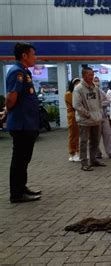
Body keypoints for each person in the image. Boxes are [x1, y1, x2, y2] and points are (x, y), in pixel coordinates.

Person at [5, 42, 42, 203]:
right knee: (19, 159)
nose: (35, 57)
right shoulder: (17, 72)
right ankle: (16, 194)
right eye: (33, 54)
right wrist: (8, 110)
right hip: (21, 124)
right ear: (24, 55)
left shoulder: (24, 71)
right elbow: (11, 98)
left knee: (24, 159)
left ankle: (21, 187)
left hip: (28, 123)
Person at [73, 67, 106, 171]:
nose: (92, 77)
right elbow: (77, 105)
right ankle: (84, 163)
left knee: (95, 141)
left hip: (96, 120)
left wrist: (99, 113)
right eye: (89, 75)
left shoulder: (95, 87)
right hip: (85, 121)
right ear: (83, 75)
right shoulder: (78, 88)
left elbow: (100, 102)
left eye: (92, 74)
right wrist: (88, 114)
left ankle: (93, 160)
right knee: (83, 142)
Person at [95, 77, 111, 159]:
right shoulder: (90, 92)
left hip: (104, 117)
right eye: (95, 81)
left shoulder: (101, 92)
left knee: (107, 135)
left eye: (97, 81)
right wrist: (100, 103)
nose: (97, 82)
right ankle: (97, 153)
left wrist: (100, 103)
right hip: (95, 118)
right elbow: (93, 104)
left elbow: (107, 102)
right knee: (96, 137)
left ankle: (110, 152)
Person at [65, 78, 81, 162]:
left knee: (77, 135)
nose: (78, 85)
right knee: (73, 135)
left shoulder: (78, 93)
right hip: (72, 116)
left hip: (78, 115)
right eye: (76, 83)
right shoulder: (69, 94)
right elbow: (75, 105)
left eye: (79, 83)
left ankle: (77, 152)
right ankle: (72, 153)